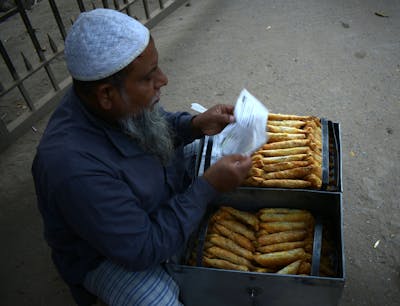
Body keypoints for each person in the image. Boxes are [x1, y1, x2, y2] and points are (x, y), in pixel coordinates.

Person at [32, 8, 251, 306]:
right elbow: (140, 249)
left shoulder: (113, 103)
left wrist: (194, 125)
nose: (164, 79)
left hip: (153, 194)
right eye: (149, 77)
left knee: (234, 150)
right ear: (107, 94)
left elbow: (157, 122)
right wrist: (206, 187)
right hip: (109, 253)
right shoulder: (73, 168)